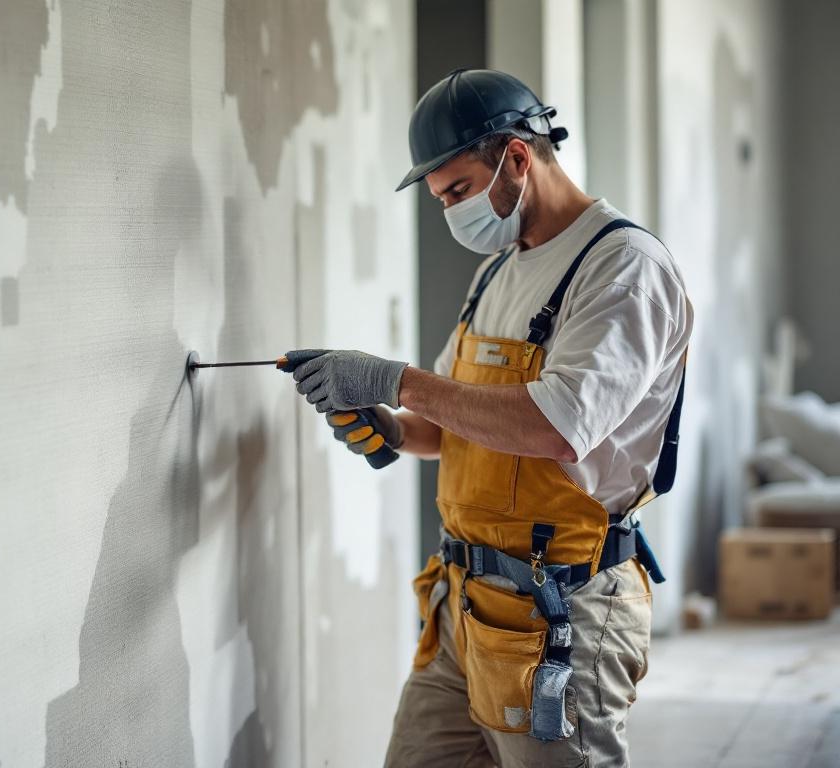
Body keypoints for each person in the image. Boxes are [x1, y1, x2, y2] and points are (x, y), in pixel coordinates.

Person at [286, 69, 692, 767]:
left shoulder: (620, 266)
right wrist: (387, 423)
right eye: (441, 198)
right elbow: (448, 425)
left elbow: (557, 427)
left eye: (458, 191)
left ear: (516, 157)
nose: (451, 213)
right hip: (463, 611)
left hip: (560, 610)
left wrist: (396, 379)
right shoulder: (498, 272)